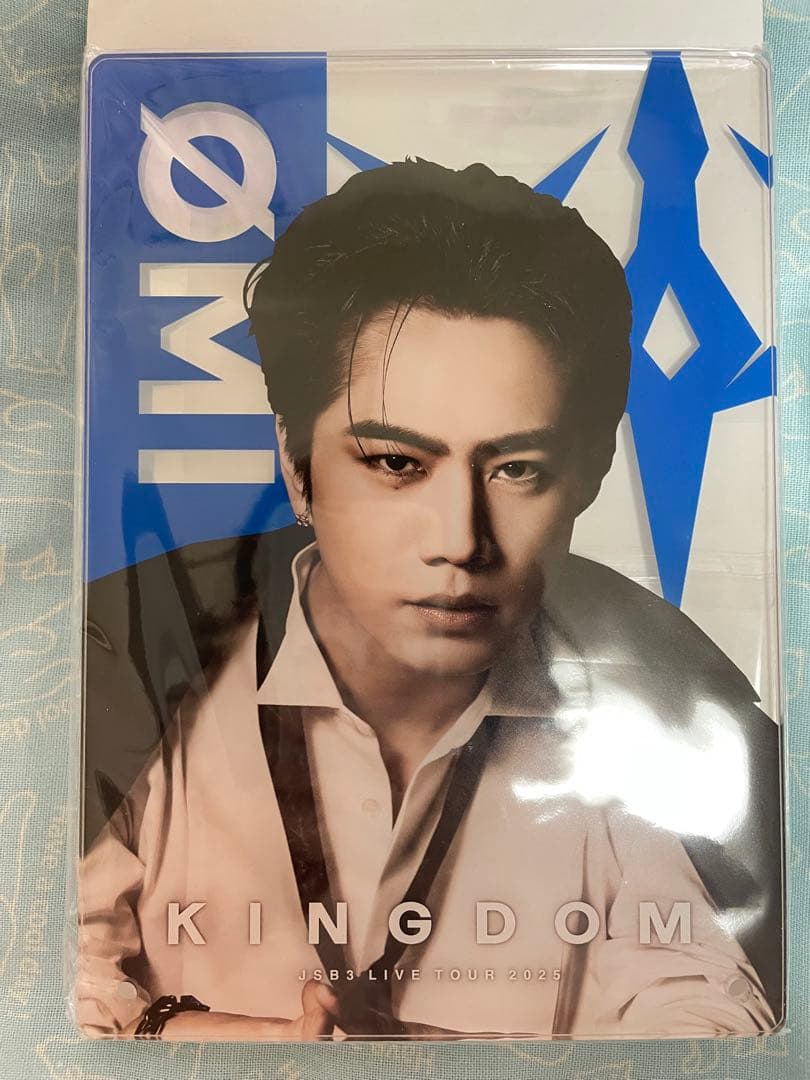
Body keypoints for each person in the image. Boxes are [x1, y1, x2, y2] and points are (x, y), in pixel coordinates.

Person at [77, 159, 782, 1040]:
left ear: (592, 473)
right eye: (396, 463)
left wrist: (407, 1059)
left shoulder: (659, 719)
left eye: (516, 468)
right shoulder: (127, 673)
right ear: (295, 466)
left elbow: (724, 1031)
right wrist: (221, 1037)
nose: (460, 538)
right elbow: (36, 993)